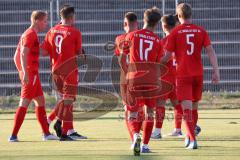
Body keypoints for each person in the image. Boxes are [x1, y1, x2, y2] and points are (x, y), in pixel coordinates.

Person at [161, 3, 220, 149]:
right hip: (198, 74)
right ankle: (188, 136)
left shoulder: (175, 32)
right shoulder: (201, 31)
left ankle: (193, 140)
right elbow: (210, 51)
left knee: (186, 109)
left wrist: (154, 64)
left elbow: (167, 56)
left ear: (179, 16)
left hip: (183, 75)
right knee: (194, 108)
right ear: (191, 15)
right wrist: (216, 70)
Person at [9, 10, 59, 142]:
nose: (46, 23)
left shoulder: (31, 34)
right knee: (24, 102)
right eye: (44, 21)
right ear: (37, 21)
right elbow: (23, 54)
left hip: (32, 74)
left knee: (40, 101)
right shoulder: (30, 34)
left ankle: (46, 134)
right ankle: (13, 136)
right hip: (31, 74)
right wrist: (25, 72)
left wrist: (22, 71)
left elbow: (16, 57)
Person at [119, 7, 162, 155]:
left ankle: (135, 136)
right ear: (156, 24)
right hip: (151, 80)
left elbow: (122, 57)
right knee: (150, 113)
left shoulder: (131, 35)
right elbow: (158, 64)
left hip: (134, 78)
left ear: (143, 20)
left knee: (132, 113)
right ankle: (145, 144)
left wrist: (127, 71)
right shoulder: (157, 40)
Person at [41, 5, 86, 141]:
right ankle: (62, 130)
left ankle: (68, 129)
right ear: (72, 17)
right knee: (68, 100)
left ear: (61, 17)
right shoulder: (75, 32)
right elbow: (79, 54)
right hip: (69, 71)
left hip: (55, 70)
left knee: (66, 100)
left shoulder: (51, 31)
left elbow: (44, 52)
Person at [151, 14, 183, 139]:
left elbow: (162, 59)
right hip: (178, 77)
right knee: (177, 104)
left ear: (164, 26)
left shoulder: (164, 41)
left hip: (166, 77)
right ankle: (179, 128)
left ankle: (157, 131)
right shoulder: (181, 40)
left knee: (160, 103)